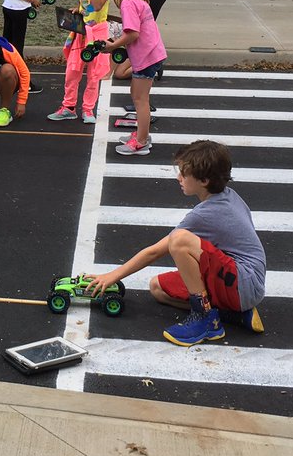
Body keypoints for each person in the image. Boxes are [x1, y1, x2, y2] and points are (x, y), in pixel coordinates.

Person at [85, 140, 266, 346]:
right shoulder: (229, 196)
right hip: (241, 282)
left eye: (183, 173)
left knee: (179, 241)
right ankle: (231, 314)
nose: (178, 177)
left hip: (245, 285)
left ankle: (205, 320)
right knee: (158, 288)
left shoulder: (206, 214)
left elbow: (156, 251)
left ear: (204, 180)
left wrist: (112, 276)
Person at [103, 0, 167, 157]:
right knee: (137, 94)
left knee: (140, 99)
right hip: (151, 52)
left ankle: (141, 142)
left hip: (147, 55)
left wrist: (113, 45)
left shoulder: (128, 3)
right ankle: (142, 134)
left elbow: (132, 34)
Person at [47, 0, 111, 124]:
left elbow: (97, 6)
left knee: (93, 74)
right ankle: (68, 107)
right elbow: (86, 5)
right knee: (73, 70)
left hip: (97, 32)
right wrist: (78, 10)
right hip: (82, 32)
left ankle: (88, 109)